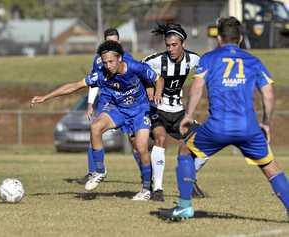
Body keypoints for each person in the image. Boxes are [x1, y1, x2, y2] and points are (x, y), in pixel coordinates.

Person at [169, 16, 289, 220]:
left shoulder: (209, 58)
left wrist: (188, 115)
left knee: (185, 150)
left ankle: (185, 206)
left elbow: (197, 88)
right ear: (240, 38)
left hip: (217, 127)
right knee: (270, 166)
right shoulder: (253, 61)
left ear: (219, 39)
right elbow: (268, 94)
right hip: (248, 128)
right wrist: (266, 123)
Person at [31, 40, 164, 201]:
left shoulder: (135, 67)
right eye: (105, 62)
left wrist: (158, 93)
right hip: (118, 110)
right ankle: (99, 171)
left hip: (140, 110)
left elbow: (159, 79)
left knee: (141, 148)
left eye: (111, 61)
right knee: (95, 127)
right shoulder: (101, 74)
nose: (108, 65)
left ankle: (146, 189)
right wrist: (45, 97)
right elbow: (74, 86)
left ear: (120, 58)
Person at [143, 23, 206, 201]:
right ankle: (157, 189)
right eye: (168, 45)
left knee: (203, 140)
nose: (170, 49)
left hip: (179, 112)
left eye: (174, 45)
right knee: (160, 139)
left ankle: (189, 179)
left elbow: (207, 73)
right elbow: (137, 71)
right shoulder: (155, 60)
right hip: (158, 110)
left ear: (183, 44)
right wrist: (148, 85)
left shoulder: (194, 59)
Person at [81, 28, 140, 184]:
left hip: (127, 103)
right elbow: (93, 83)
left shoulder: (127, 59)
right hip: (107, 102)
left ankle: (146, 175)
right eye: (109, 41)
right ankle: (94, 171)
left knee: (134, 139)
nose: (112, 44)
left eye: (114, 41)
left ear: (119, 42)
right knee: (95, 131)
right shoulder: (99, 60)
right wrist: (90, 104)